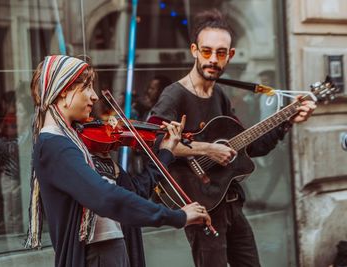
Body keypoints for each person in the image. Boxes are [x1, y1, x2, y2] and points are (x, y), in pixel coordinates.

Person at [148, 9, 317, 267]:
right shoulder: (175, 95)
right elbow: (154, 143)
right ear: (194, 50)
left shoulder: (221, 97)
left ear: (230, 55)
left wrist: (287, 120)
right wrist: (206, 150)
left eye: (221, 52)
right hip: (200, 206)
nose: (213, 59)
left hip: (229, 202)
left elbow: (250, 146)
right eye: (206, 51)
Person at [24, 55, 211, 267]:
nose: (94, 96)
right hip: (94, 256)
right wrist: (176, 217)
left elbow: (134, 192)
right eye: (87, 87)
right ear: (64, 90)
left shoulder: (79, 144)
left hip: (114, 249)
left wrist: (166, 152)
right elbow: (105, 197)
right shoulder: (54, 145)